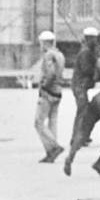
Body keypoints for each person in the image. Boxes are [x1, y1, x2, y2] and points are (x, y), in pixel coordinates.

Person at [33, 31, 65, 163]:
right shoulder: (60, 55)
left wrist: (44, 86)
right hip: (58, 91)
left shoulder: (48, 55)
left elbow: (50, 73)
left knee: (38, 122)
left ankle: (53, 147)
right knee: (52, 122)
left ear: (45, 43)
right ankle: (51, 153)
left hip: (48, 92)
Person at [70, 28, 100, 151]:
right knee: (82, 112)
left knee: (84, 111)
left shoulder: (87, 51)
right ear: (90, 38)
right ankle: (77, 138)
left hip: (80, 85)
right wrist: (98, 71)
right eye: (94, 39)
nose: (96, 41)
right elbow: (86, 69)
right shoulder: (86, 52)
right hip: (80, 86)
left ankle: (81, 136)